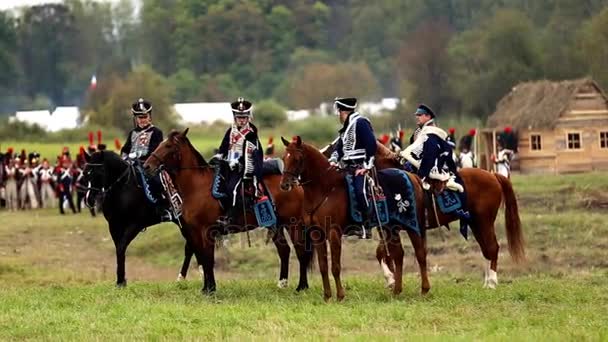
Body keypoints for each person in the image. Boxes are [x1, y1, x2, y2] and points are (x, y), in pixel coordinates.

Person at [328, 97, 377, 239]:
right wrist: (333, 159)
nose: (338, 115)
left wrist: (366, 167)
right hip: (346, 167)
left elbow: (371, 145)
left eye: (338, 112)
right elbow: (340, 147)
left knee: (360, 192)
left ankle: (366, 224)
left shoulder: (361, 122)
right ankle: (349, 223)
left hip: (360, 166)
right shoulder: (346, 127)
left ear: (343, 111)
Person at [213, 97, 266, 226]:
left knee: (233, 189)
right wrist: (219, 156)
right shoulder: (231, 131)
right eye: (239, 117)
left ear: (248, 117)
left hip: (243, 170)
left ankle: (230, 217)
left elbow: (255, 155)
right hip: (228, 166)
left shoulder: (251, 134)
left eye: (244, 117)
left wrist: (240, 162)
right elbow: (223, 148)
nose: (241, 120)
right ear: (235, 117)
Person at [119, 98, 173, 221]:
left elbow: (155, 150)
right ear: (136, 119)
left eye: (144, 117)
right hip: (131, 165)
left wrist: (136, 156)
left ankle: (163, 208)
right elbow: (125, 148)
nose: (142, 120)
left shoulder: (156, 132)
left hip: (149, 165)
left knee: (156, 181)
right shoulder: (132, 133)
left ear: (149, 117)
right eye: (139, 117)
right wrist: (125, 157)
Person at [400, 104, 463, 192]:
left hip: (429, 170)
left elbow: (430, 155)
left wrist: (421, 176)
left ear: (428, 116)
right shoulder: (418, 132)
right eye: (416, 115)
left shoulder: (432, 134)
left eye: (420, 115)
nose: (417, 117)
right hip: (414, 165)